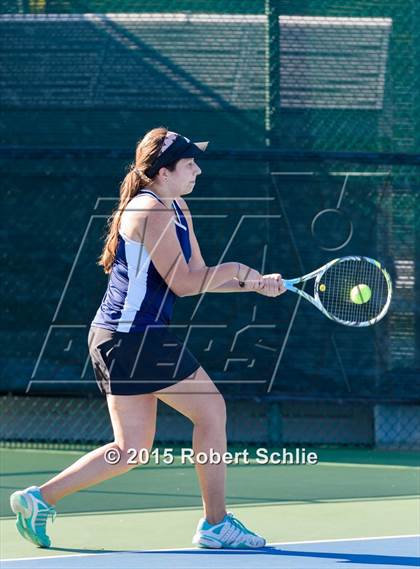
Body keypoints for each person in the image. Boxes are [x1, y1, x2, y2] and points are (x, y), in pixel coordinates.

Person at [10, 127, 286, 550]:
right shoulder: (149, 211)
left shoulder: (177, 208)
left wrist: (256, 283)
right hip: (131, 336)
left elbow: (199, 272)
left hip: (120, 337)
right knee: (211, 411)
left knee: (132, 448)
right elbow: (186, 284)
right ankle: (216, 524)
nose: (197, 169)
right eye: (189, 163)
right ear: (162, 171)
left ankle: (39, 499)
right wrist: (238, 271)